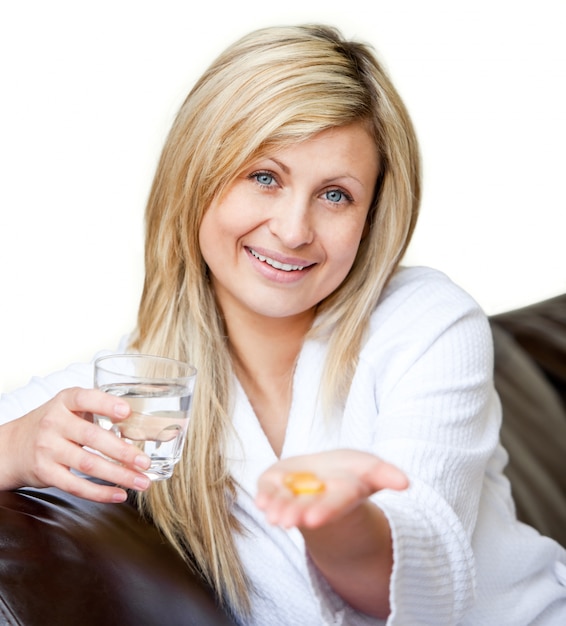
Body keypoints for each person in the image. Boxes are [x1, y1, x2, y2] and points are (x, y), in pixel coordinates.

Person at [0, 24, 564, 626]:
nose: (294, 230)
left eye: (336, 195)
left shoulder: (426, 320)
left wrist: (337, 517)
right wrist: (18, 444)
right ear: (196, 178)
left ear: (371, 217)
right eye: (264, 177)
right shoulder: (134, 392)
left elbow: (421, 584)